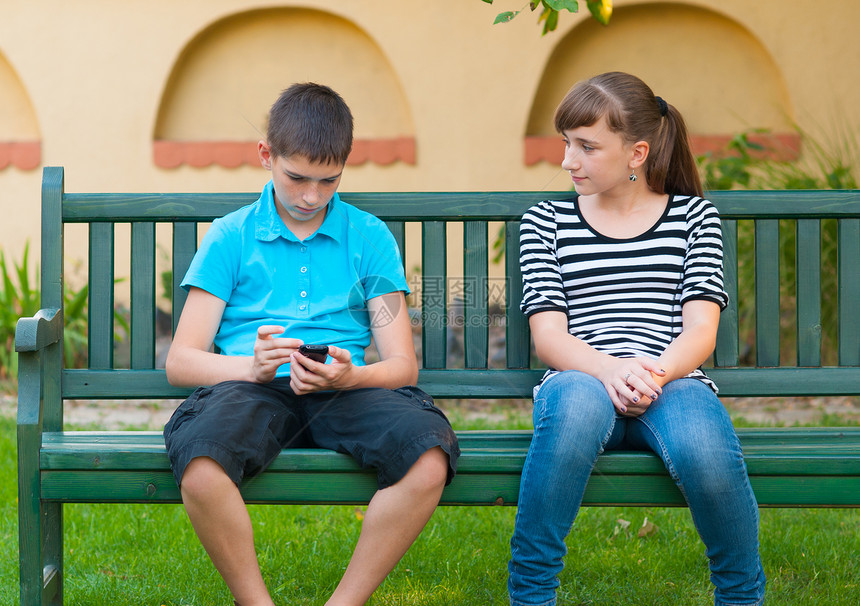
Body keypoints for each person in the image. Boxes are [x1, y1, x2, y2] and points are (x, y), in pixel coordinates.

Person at [163, 82, 459, 606]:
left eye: (328, 181)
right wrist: (248, 368)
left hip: (347, 387)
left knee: (428, 458)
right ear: (265, 155)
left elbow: (401, 363)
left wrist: (353, 375)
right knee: (202, 466)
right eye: (296, 177)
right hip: (252, 387)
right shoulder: (230, 237)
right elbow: (181, 361)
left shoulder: (370, 239)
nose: (310, 196)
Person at [507, 72, 766, 606]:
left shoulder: (693, 218)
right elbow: (549, 335)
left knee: (704, 448)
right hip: (581, 375)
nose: (567, 161)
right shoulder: (546, 222)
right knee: (573, 412)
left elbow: (700, 328)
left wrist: (652, 374)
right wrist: (610, 370)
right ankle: (531, 595)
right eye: (565, 144)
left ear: (636, 153)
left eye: (586, 146)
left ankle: (742, 596)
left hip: (671, 379)